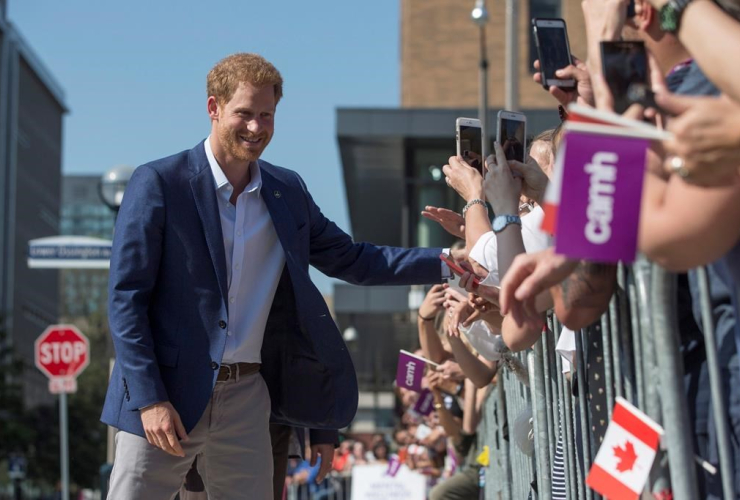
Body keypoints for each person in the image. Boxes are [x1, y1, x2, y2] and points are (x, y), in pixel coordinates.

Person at [102, 52, 457, 500]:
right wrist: (150, 399)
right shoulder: (159, 183)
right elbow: (125, 299)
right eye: (244, 114)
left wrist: (448, 259)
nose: (256, 128)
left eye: (266, 115)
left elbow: (354, 260)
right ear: (213, 108)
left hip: (247, 397)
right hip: (164, 397)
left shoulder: (286, 191)